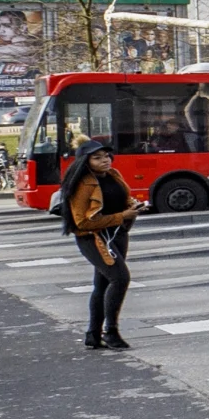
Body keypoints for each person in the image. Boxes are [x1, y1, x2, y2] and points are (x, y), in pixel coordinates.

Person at [54, 137, 138, 351]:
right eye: (97, 158)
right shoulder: (83, 184)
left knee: (102, 284)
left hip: (118, 234)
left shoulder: (113, 175)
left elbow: (122, 198)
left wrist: (133, 206)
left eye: (107, 156)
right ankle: (111, 332)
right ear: (85, 161)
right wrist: (122, 215)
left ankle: (93, 334)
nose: (105, 160)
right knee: (120, 278)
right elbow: (82, 221)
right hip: (93, 237)